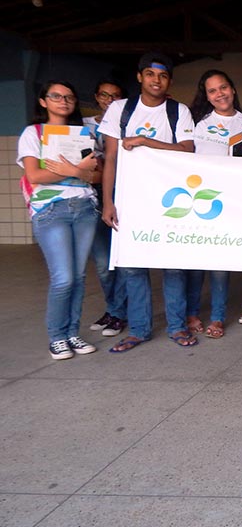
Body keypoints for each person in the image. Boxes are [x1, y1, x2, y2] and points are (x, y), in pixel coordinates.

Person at [98, 52, 198, 353]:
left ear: (169, 81)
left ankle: (176, 326)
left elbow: (187, 149)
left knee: (173, 266)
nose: (157, 80)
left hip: (168, 199)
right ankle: (139, 330)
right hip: (129, 198)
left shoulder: (177, 111)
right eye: (151, 74)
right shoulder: (120, 109)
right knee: (133, 267)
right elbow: (111, 157)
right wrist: (108, 201)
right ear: (140, 76)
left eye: (163, 75)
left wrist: (144, 141)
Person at [19, 81, 100, 360]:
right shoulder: (33, 133)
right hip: (51, 209)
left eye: (69, 97)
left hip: (85, 208)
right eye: (56, 96)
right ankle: (57, 336)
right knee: (63, 278)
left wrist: (77, 172)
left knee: (78, 276)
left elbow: (95, 175)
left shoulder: (83, 134)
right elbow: (35, 175)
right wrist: (76, 170)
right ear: (43, 101)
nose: (63, 101)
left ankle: (72, 333)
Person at [188, 70, 242, 339]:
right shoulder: (200, 125)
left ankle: (217, 316)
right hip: (201, 199)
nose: (220, 94)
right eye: (213, 90)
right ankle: (192, 312)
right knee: (196, 262)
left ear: (233, 89)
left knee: (219, 264)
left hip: (232, 202)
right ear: (207, 96)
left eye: (223, 87)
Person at [84, 78, 128, 337]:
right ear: (96, 97)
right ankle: (113, 309)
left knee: (121, 258)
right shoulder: (83, 127)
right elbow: (85, 165)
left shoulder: (129, 123)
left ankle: (119, 312)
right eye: (104, 95)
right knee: (102, 262)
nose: (109, 100)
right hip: (94, 195)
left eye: (115, 95)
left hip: (123, 190)